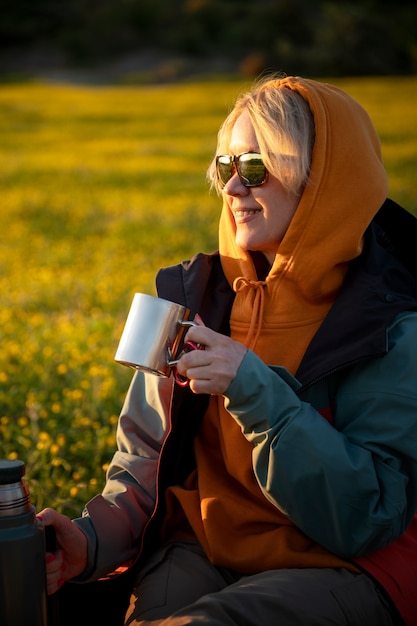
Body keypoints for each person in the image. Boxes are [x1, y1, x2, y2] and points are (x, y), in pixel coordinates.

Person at [39, 73, 417, 626]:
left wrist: (256, 390)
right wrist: (90, 541)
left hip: (345, 566)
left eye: (257, 168)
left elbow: (366, 518)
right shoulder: (192, 299)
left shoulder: (390, 323)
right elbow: (145, 461)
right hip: (204, 548)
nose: (234, 189)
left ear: (325, 178)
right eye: (225, 168)